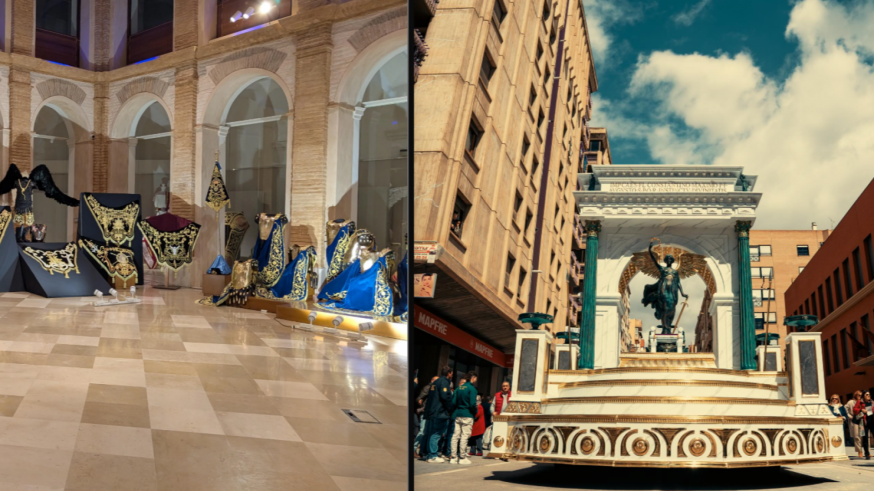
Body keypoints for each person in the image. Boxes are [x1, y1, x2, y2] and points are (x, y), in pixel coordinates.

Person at [422, 367, 454, 463]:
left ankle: (429, 454)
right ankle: (432, 455)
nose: (452, 375)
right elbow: (445, 397)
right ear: (449, 373)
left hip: (432, 411)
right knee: (436, 434)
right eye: (451, 373)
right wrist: (450, 408)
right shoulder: (444, 382)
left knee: (431, 433)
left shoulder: (435, 382)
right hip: (439, 412)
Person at [449, 371, 478, 465]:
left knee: (455, 435)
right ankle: (462, 457)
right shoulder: (472, 389)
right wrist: (475, 412)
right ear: (473, 378)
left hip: (458, 414)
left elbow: (453, 402)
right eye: (476, 379)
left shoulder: (458, 388)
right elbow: (472, 404)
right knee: (464, 436)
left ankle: (453, 457)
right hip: (468, 414)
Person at [414, 376, 439, 457]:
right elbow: (419, 398)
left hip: (431, 413)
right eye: (436, 380)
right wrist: (422, 404)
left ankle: (422, 450)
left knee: (427, 432)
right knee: (422, 431)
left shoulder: (435, 389)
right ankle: (414, 448)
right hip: (425, 412)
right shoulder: (428, 388)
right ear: (432, 380)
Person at [846, 390, 870, 459]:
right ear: (856, 395)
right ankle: (859, 451)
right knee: (857, 437)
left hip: (863, 420)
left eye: (861, 395)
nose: (860, 396)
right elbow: (845, 410)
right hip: (855, 421)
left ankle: (867, 451)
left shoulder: (864, 402)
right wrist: (850, 416)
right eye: (859, 395)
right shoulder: (851, 402)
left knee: (865, 436)